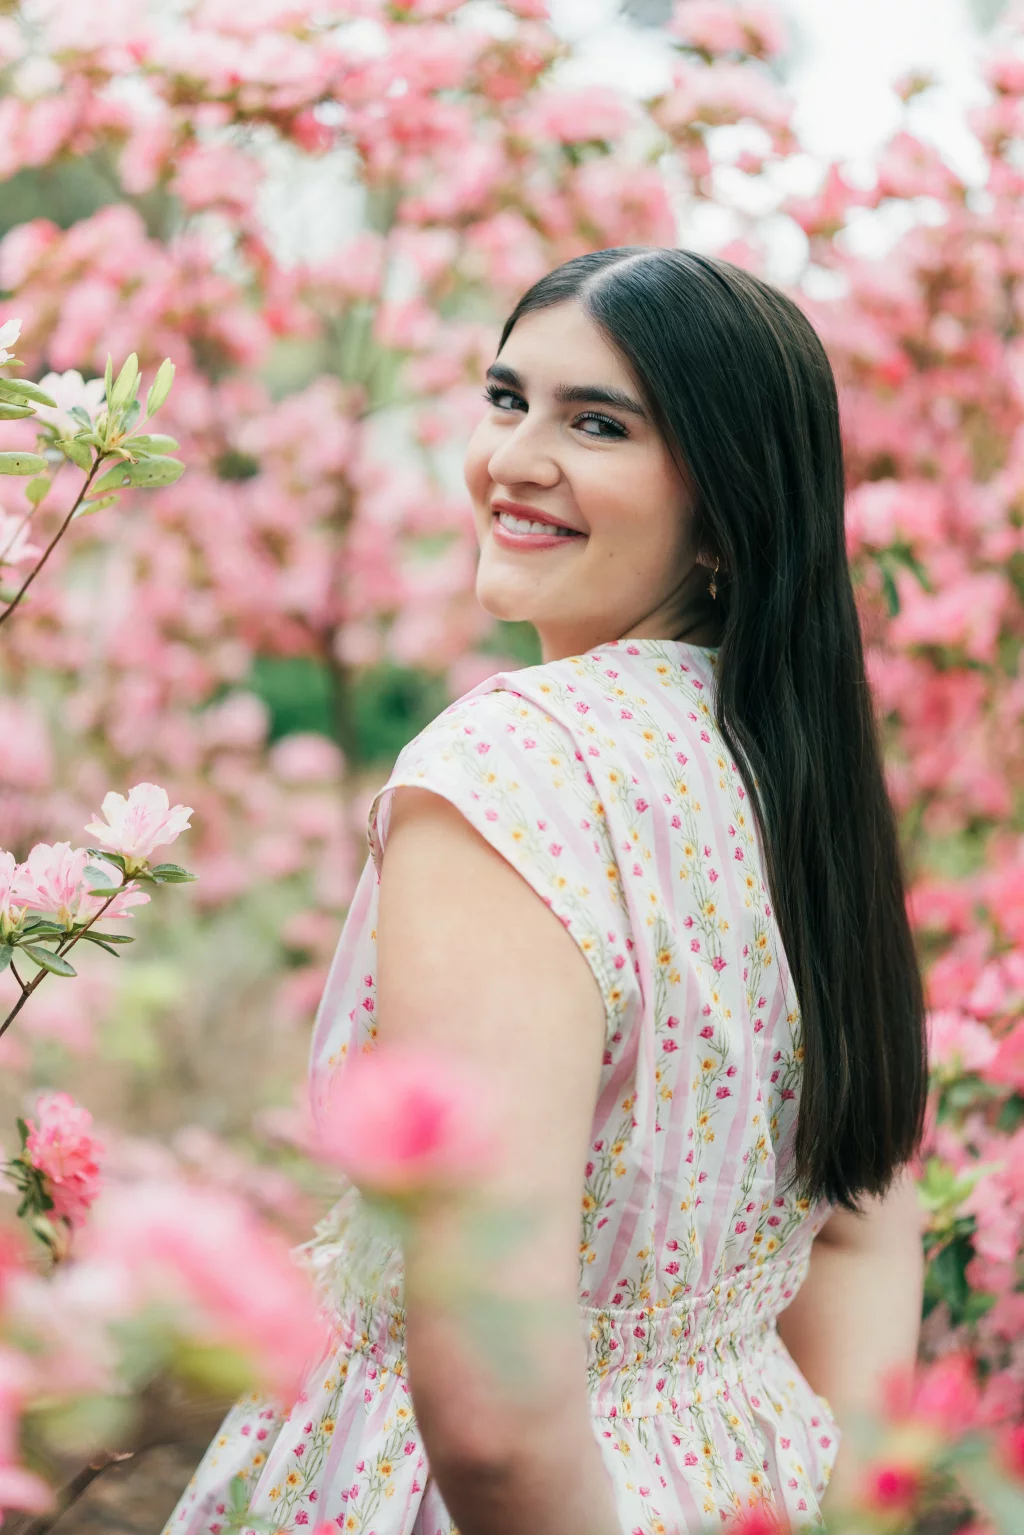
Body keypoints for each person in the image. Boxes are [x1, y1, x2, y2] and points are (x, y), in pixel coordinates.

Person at [165, 247, 928, 1535]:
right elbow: (859, 1227)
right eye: (507, 397)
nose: (514, 458)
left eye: (599, 424)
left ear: (729, 503)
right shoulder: (800, 772)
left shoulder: (512, 770)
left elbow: (500, 1425)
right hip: (755, 1481)